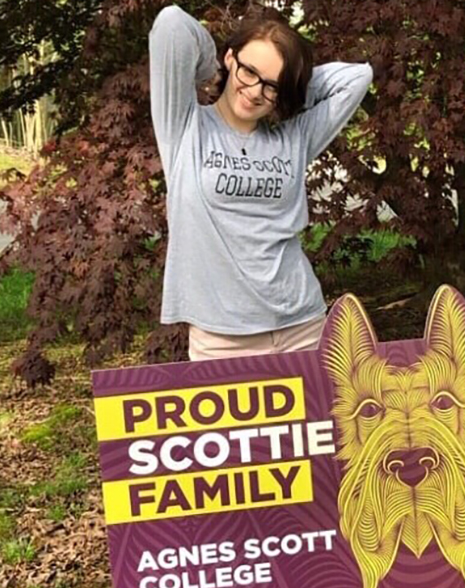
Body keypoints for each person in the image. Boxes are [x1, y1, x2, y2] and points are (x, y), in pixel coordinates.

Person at [148, 4, 373, 361]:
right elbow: (172, 23)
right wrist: (211, 67)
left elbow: (357, 78)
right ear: (231, 59)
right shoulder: (184, 127)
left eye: (271, 86)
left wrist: (292, 85)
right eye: (249, 71)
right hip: (222, 339)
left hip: (303, 324)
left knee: (319, 418)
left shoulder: (293, 137)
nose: (254, 92)